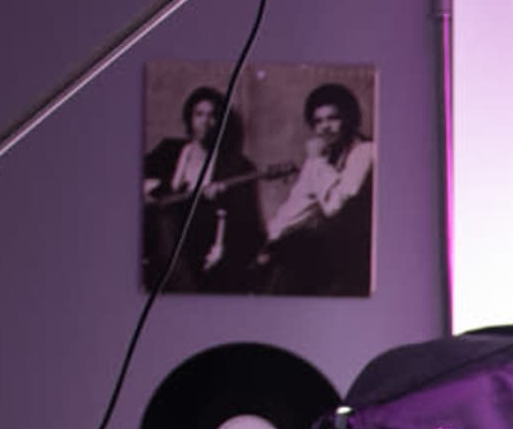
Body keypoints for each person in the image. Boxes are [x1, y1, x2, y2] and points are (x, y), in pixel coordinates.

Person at [258, 81, 376, 294]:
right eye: (318, 121)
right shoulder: (324, 154)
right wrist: (271, 238)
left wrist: (317, 162)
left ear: (349, 118)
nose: (325, 127)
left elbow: (334, 206)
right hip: (326, 252)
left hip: (355, 254)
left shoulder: (365, 152)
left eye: (333, 118)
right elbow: (298, 203)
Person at [141, 85, 260, 291]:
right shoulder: (168, 150)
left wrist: (222, 201)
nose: (205, 121)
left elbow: (246, 221)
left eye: (213, 116)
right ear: (189, 119)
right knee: (164, 222)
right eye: (199, 114)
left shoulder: (237, 166)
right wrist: (151, 189)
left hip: (201, 237)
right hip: (159, 234)